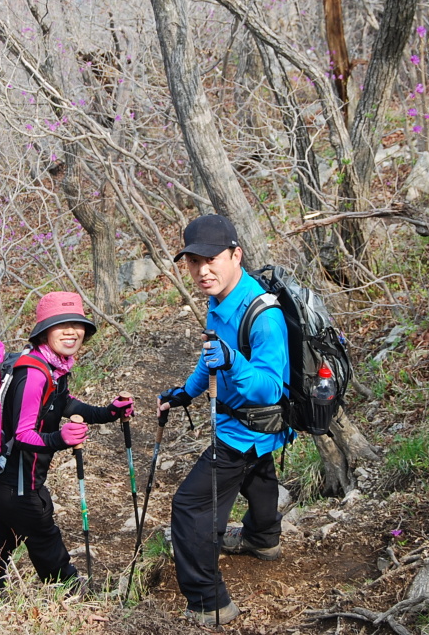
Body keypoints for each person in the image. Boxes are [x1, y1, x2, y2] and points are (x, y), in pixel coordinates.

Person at [158, 214, 291, 626]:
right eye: (194, 261)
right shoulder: (219, 301)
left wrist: (234, 363)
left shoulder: (263, 316)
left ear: (236, 255)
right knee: (259, 476)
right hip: (254, 430)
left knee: (190, 506)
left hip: (247, 426)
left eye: (211, 259)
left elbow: (270, 387)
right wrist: (185, 392)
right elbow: (210, 356)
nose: (202, 270)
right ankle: (263, 540)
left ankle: (209, 601)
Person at [0, 291, 134, 590]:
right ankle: (72, 591)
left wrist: (109, 412)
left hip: (6, 480)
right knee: (44, 536)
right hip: (17, 484)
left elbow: (66, 405)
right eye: (61, 325)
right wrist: (60, 438)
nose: (71, 331)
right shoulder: (34, 373)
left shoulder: (54, 368)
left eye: (77, 325)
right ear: (44, 331)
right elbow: (24, 435)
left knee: (1, 541)